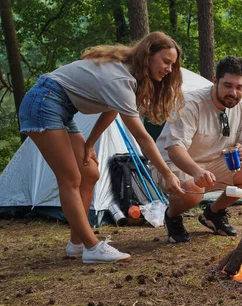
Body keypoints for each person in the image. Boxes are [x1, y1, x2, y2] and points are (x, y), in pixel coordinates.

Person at [18, 31, 186, 264]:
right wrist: (167, 174)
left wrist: (89, 143)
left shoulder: (127, 75)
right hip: (44, 101)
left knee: (90, 173)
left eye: (172, 64)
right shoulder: (121, 79)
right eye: (166, 61)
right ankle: (92, 246)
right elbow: (142, 137)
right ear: (148, 55)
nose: (169, 69)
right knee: (70, 178)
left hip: (63, 108)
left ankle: (77, 244)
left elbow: (111, 109)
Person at [152, 56, 242, 243]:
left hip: (212, 165)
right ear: (215, 80)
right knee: (193, 188)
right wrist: (197, 172)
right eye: (228, 85)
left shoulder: (240, 107)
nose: (234, 93)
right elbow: (175, 149)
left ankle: (213, 213)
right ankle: (172, 216)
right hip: (174, 165)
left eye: (239, 87)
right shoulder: (190, 103)